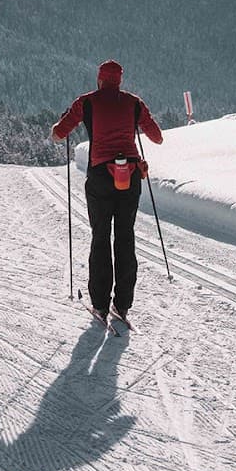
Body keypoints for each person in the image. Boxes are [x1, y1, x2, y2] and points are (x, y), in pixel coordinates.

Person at [51, 59, 164, 325]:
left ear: (100, 79)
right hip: (130, 175)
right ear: (120, 80)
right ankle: (122, 305)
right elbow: (157, 137)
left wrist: (59, 129)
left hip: (101, 175)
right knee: (125, 237)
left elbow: (59, 133)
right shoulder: (134, 102)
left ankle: (100, 304)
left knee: (100, 236)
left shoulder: (87, 101)